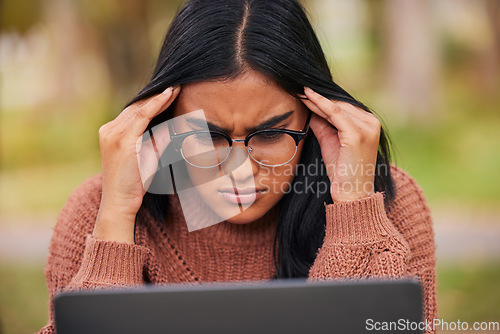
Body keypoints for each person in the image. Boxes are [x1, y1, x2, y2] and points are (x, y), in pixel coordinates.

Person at [38, 0, 437, 333]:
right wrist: (117, 217)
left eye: (269, 134)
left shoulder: (386, 204)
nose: (240, 170)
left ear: (314, 119)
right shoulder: (96, 212)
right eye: (209, 136)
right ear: (167, 122)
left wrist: (353, 205)